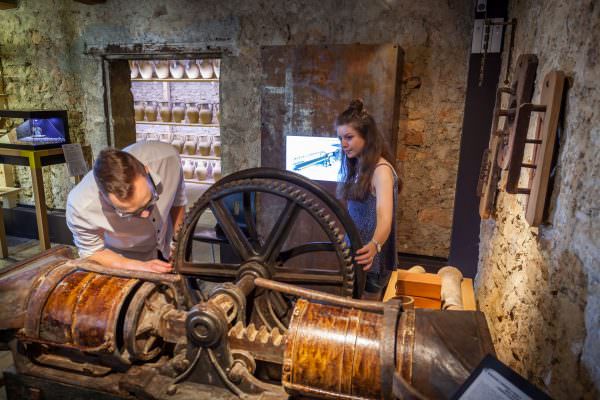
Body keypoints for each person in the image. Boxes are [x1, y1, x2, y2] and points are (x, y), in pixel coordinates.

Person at [66, 141, 186, 273]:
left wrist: (178, 241)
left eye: (150, 200)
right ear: (103, 196)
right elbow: (93, 253)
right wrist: (140, 266)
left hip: (165, 244)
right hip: (123, 260)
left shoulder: (168, 160)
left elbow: (178, 202)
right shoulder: (80, 207)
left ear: (146, 170)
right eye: (130, 213)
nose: (146, 215)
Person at [336, 99, 400, 300]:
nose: (344, 144)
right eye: (340, 138)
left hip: (370, 259)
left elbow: (384, 218)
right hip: (356, 252)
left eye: (349, 137)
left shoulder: (381, 171)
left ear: (367, 137)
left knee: (366, 316)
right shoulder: (359, 166)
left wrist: (374, 246)